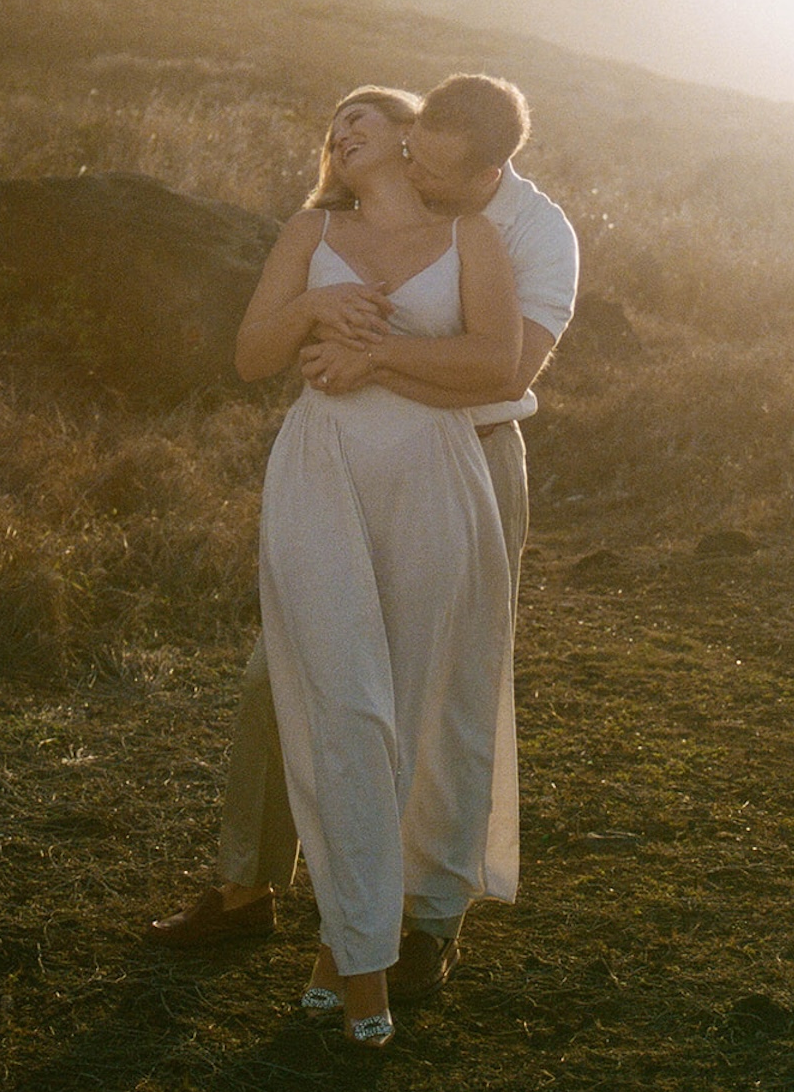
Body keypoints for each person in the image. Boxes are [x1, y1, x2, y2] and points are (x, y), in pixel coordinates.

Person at [147, 75, 578, 1005]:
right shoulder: (382, 198)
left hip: (470, 458)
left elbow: (497, 377)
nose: (417, 169)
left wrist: (370, 358)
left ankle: (424, 922)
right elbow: (269, 341)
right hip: (339, 465)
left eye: (437, 166)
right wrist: (321, 332)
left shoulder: (532, 235)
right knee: (284, 670)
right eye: (412, 148)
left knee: (443, 686)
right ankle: (247, 883)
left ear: (491, 169)